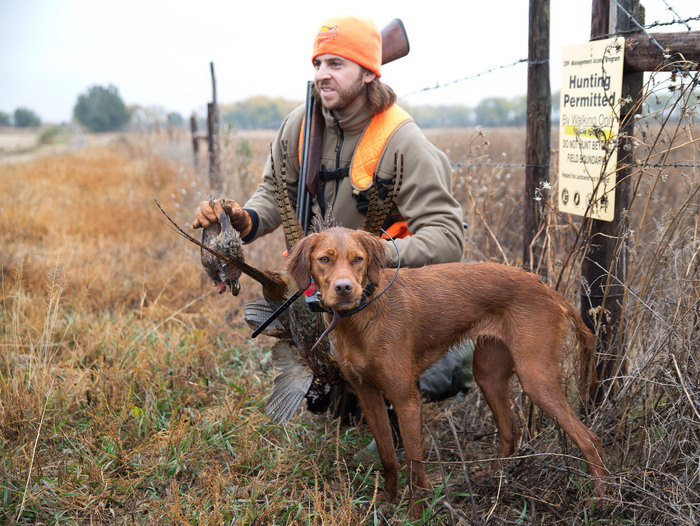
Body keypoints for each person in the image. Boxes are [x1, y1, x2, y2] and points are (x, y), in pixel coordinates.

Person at [193, 15, 472, 449]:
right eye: (318, 62)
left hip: (383, 298)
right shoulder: (299, 124)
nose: (322, 73)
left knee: (433, 377)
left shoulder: (403, 140)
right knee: (339, 402)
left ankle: (432, 374)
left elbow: (448, 236)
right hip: (320, 291)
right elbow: (273, 191)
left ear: (368, 72)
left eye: (337, 63)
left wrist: (376, 254)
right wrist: (244, 219)